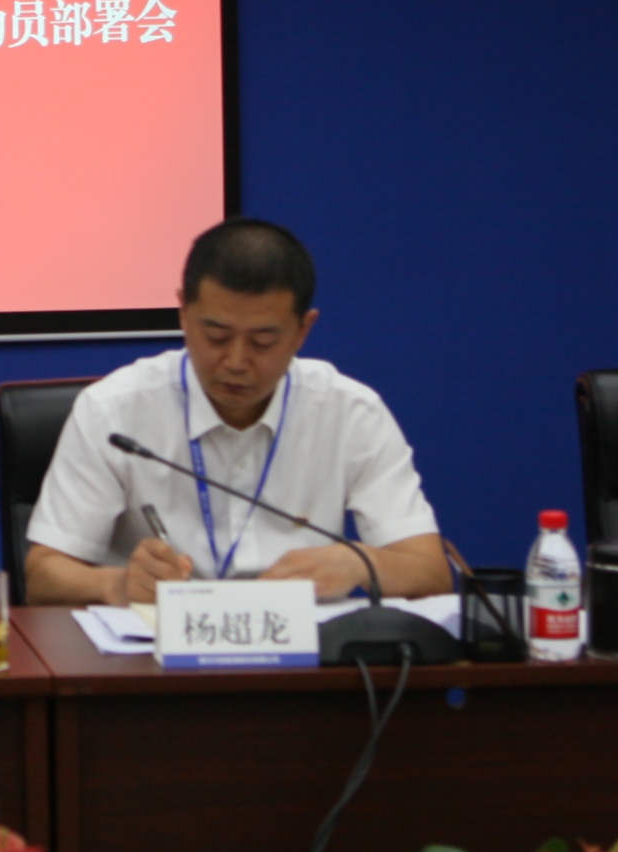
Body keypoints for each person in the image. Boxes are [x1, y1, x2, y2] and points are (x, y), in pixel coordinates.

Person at [25, 218, 450, 607]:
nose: (236, 361)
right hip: (153, 651)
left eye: (263, 342)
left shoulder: (350, 413)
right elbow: (43, 575)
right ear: (184, 313)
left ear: (303, 330)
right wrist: (117, 585)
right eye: (216, 336)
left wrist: (358, 562)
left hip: (301, 654)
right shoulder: (114, 411)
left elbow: (431, 572)